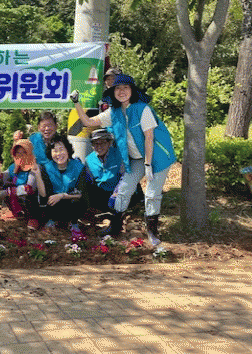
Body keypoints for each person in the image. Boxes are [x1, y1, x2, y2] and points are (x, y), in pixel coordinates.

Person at [71, 74, 176, 246]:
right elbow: (88, 121)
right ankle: (115, 225)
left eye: (125, 88)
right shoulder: (114, 112)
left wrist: (148, 164)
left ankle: (152, 232)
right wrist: (76, 103)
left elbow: (149, 138)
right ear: (113, 93)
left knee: (152, 194)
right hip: (136, 158)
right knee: (124, 189)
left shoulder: (143, 109)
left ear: (132, 90)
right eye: (118, 88)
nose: (121, 91)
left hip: (157, 157)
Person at [39, 135, 88, 241]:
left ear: (68, 150)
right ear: (50, 153)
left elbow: (81, 193)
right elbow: (46, 193)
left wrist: (62, 195)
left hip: (72, 204)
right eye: (55, 151)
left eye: (61, 149)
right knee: (46, 199)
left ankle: (74, 223)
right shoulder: (47, 168)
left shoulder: (78, 167)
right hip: (54, 205)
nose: (58, 154)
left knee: (77, 201)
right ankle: (52, 221)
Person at [0, 139, 44, 230]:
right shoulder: (13, 166)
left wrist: (9, 192)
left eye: (24, 153)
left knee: (27, 196)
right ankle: (15, 213)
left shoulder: (34, 167)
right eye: (18, 153)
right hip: (18, 194)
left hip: (34, 200)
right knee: (5, 188)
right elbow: (4, 177)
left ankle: (33, 218)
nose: (20, 156)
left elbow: (30, 188)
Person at [85, 129, 126, 235]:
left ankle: (117, 223)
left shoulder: (119, 155)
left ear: (109, 143)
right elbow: (90, 182)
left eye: (102, 143)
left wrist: (117, 192)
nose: (99, 146)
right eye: (95, 143)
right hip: (102, 193)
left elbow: (125, 176)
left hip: (118, 192)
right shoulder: (89, 159)